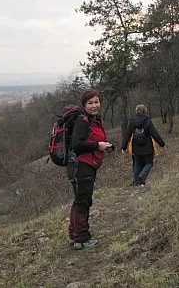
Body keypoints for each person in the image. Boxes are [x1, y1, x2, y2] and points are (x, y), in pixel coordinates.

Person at [67, 88, 113, 250]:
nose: (94, 105)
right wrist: (97, 145)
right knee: (84, 201)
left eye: (97, 102)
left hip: (87, 165)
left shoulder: (93, 120)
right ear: (84, 105)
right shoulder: (83, 121)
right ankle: (82, 238)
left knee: (79, 200)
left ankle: (74, 235)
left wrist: (103, 146)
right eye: (90, 103)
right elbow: (77, 144)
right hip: (82, 166)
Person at [121, 104, 165, 186]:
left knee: (138, 164)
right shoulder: (147, 121)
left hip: (136, 148)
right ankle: (142, 176)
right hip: (147, 147)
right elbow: (154, 134)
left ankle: (136, 181)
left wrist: (124, 147)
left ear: (136, 111)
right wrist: (162, 144)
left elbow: (127, 134)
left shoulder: (132, 121)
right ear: (144, 111)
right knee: (149, 163)